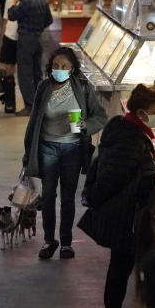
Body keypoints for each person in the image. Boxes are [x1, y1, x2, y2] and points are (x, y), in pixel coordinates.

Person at [79, 83, 155, 308]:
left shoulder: (127, 131)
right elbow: (112, 178)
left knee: (123, 264)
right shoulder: (130, 140)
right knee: (121, 265)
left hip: (124, 211)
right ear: (140, 113)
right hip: (124, 215)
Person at [22, 46, 106, 260]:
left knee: (68, 197)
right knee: (48, 196)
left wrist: (86, 125)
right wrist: (28, 152)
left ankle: (66, 243)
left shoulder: (83, 89)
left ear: (72, 69)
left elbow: (100, 116)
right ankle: (49, 241)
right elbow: (34, 122)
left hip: (73, 149)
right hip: (47, 147)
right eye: (55, 66)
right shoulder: (43, 87)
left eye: (64, 67)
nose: (58, 69)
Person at [8, 0, 54, 117]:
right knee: (37, 73)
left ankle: (29, 106)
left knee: (25, 74)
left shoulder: (26, 2)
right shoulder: (43, 0)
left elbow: (11, 15)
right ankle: (40, 104)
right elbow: (49, 20)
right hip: (38, 39)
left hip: (26, 40)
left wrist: (15, 2)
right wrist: (38, 28)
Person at [0, 0, 23, 114]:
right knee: (8, 70)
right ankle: (9, 102)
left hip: (23, 38)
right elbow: (6, 20)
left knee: (25, 72)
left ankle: (29, 103)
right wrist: (3, 38)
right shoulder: (9, 1)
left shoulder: (28, 2)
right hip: (10, 37)